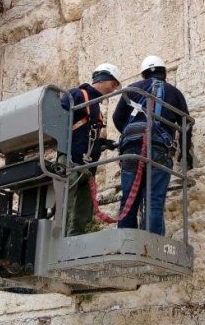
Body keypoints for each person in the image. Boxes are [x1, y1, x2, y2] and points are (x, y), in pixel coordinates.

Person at [112, 55, 193, 236]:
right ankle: (152, 243)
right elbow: (186, 124)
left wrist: (130, 134)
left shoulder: (132, 89)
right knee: (154, 200)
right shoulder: (174, 92)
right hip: (158, 149)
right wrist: (185, 153)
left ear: (144, 75)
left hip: (131, 149)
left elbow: (117, 118)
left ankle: (126, 243)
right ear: (164, 72)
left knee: (129, 199)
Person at [60, 63, 122, 236]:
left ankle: (73, 243)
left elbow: (85, 133)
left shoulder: (96, 108)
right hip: (71, 163)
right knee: (65, 207)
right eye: (113, 84)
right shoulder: (77, 94)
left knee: (84, 213)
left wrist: (101, 144)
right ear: (103, 79)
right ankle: (57, 243)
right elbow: (59, 119)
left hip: (87, 168)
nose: (113, 89)